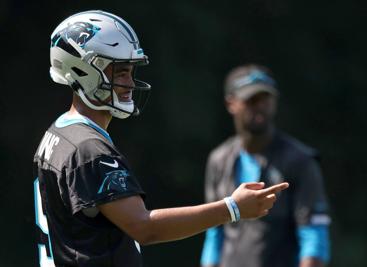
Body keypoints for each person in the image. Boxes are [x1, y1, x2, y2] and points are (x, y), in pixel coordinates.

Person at [33, 11, 289, 267]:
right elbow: (145, 228)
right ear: (81, 70)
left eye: (130, 72)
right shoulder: (88, 148)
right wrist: (232, 209)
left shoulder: (60, 132)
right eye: (120, 72)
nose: (129, 83)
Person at [200, 64, 331, 267]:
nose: (260, 106)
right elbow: (214, 231)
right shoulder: (218, 160)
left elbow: (313, 234)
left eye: (265, 99)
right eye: (251, 100)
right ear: (231, 103)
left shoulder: (301, 161)